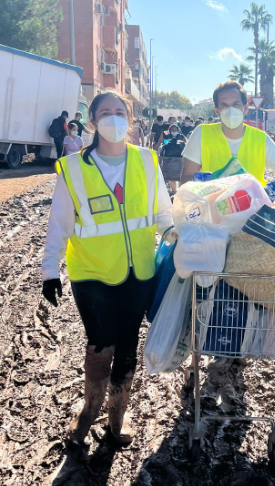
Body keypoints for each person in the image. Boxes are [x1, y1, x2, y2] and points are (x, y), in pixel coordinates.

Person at [41, 90, 173, 448]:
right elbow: (59, 223)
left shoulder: (147, 160)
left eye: (120, 112)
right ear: (93, 121)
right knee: (100, 343)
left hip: (139, 273)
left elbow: (163, 212)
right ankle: (89, 410)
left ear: (129, 120)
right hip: (92, 274)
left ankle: (117, 415)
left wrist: (176, 234)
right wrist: (49, 270)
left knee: (128, 345)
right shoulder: (72, 168)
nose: (114, 118)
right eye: (106, 112)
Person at [181, 80, 275, 198]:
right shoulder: (202, 134)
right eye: (224, 105)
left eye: (236, 104)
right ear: (217, 111)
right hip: (212, 213)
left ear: (245, 108)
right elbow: (187, 177)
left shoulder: (261, 139)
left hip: (253, 215)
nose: (231, 110)